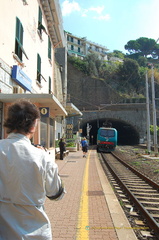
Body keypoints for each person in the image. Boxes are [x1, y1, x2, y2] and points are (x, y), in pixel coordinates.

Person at [0, 99, 65, 240]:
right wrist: (48, 162)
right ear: (33, 125)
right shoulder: (42, 157)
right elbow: (56, 194)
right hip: (36, 233)